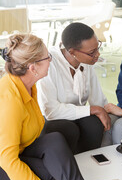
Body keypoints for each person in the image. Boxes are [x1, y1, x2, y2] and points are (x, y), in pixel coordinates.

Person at [0, 34, 95, 180]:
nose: (51, 60)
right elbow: (7, 160)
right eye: (47, 57)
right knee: (53, 177)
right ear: (33, 68)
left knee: (54, 139)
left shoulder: (27, 85)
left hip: (14, 150)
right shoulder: (9, 100)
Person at [37, 22, 117, 154]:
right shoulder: (49, 63)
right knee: (68, 128)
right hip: (53, 118)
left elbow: (98, 100)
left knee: (94, 124)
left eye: (98, 48)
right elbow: (51, 111)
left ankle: (91, 162)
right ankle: (70, 166)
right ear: (72, 52)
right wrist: (93, 109)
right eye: (92, 52)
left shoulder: (87, 61)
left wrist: (107, 111)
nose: (97, 55)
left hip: (78, 114)